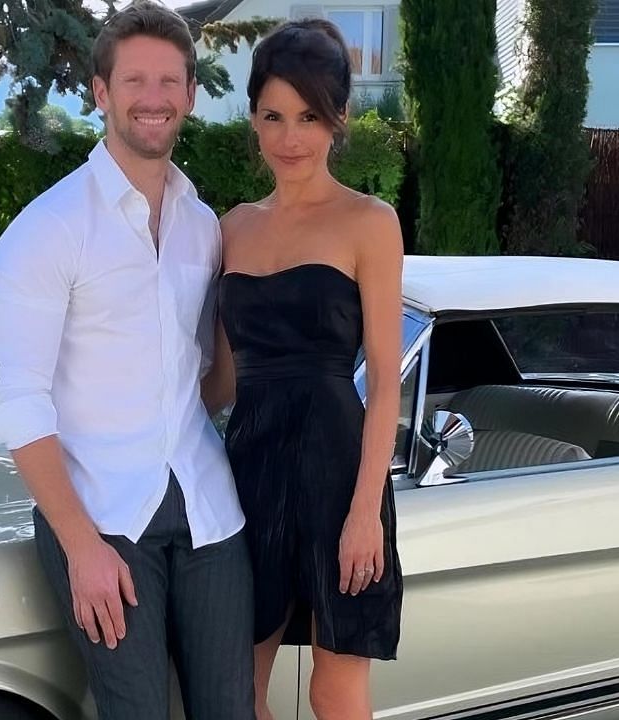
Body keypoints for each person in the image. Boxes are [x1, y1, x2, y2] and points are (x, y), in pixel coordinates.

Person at [0, 2, 255, 718]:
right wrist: (80, 549)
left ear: (191, 95)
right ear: (102, 92)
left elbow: (205, 385)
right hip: (101, 519)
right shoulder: (47, 230)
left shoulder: (203, 225)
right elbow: (20, 401)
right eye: (135, 80)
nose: (154, 98)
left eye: (170, 81)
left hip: (207, 509)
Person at [200, 19, 405, 720]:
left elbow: (384, 380)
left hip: (339, 469)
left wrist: (364, 514)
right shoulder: (229, 228)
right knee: (238, 686)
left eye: (309, 116)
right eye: (274, 116)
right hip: (248, 471)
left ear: (338, 120)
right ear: (253, 118)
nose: (290, 138)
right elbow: (220, 381)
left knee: (334, 687)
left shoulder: (369, 222)